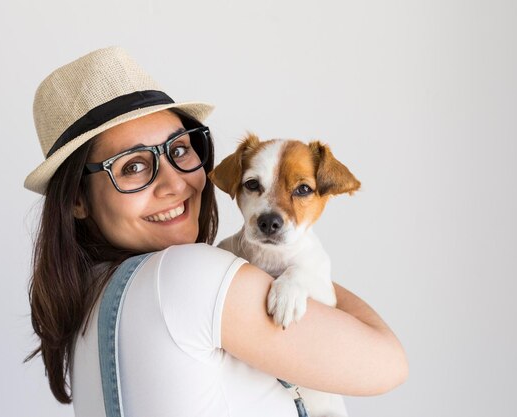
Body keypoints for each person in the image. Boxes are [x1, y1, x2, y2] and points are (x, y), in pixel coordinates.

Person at [24, 46, 408, 417]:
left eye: (178, 151)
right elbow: (388, 363)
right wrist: (299, 260)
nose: (174, 184)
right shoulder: (189, 276)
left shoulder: (90, 301)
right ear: (77, 199)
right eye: (133, 167)